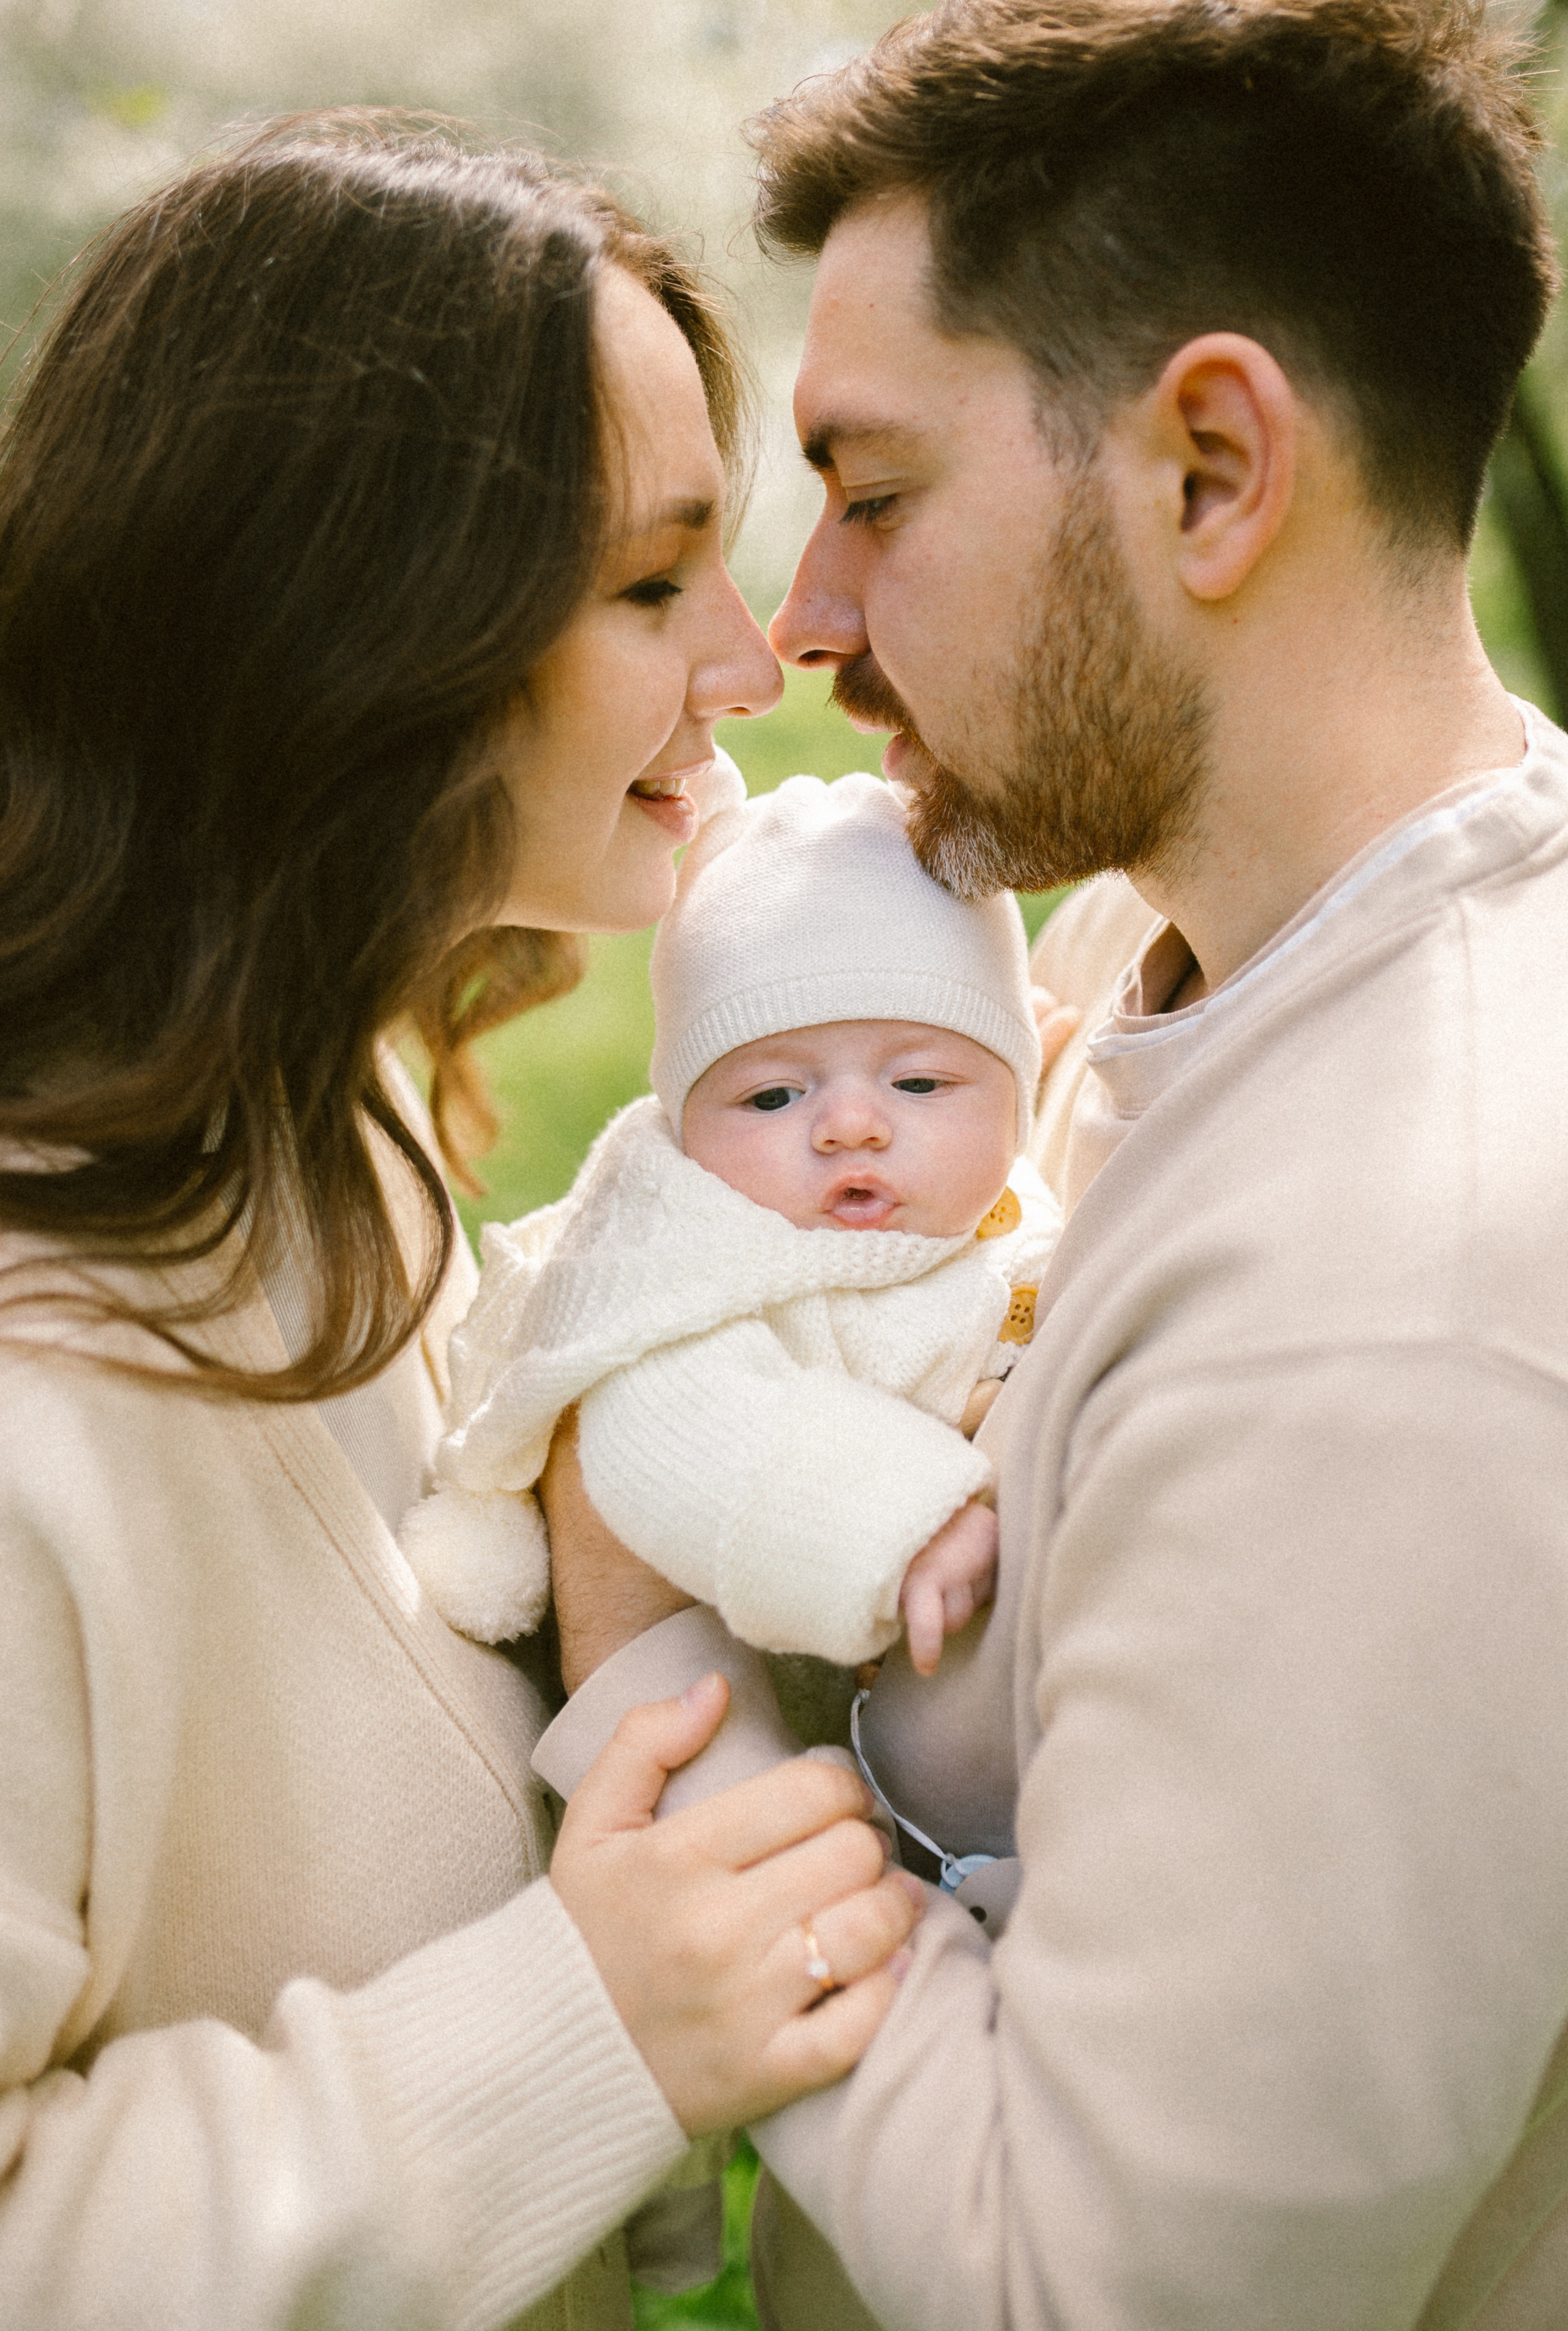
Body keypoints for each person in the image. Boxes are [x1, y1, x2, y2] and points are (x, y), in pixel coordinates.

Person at [534, 4, 1568, 2327]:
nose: (800, 625)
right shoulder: (1152, 955)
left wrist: (639, 1628)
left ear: (1210, 466)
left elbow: (1088, 2285)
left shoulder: (1400, 1298)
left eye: (874, 494)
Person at [0, 112, 927, 2331]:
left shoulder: (343, 1130)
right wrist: (583, 2031)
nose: (748, 653)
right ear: (352, 628)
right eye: (645, 580)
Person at [397, 764, 1054, 1676]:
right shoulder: (696, 1261)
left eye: (919, 1082)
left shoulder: (1005, 1202)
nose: (850, 1123)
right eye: (775, 1094)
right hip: (719, 1698)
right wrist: (904, 1521)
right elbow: (670, 1429)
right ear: (683, 1120)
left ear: (1017, 1096)